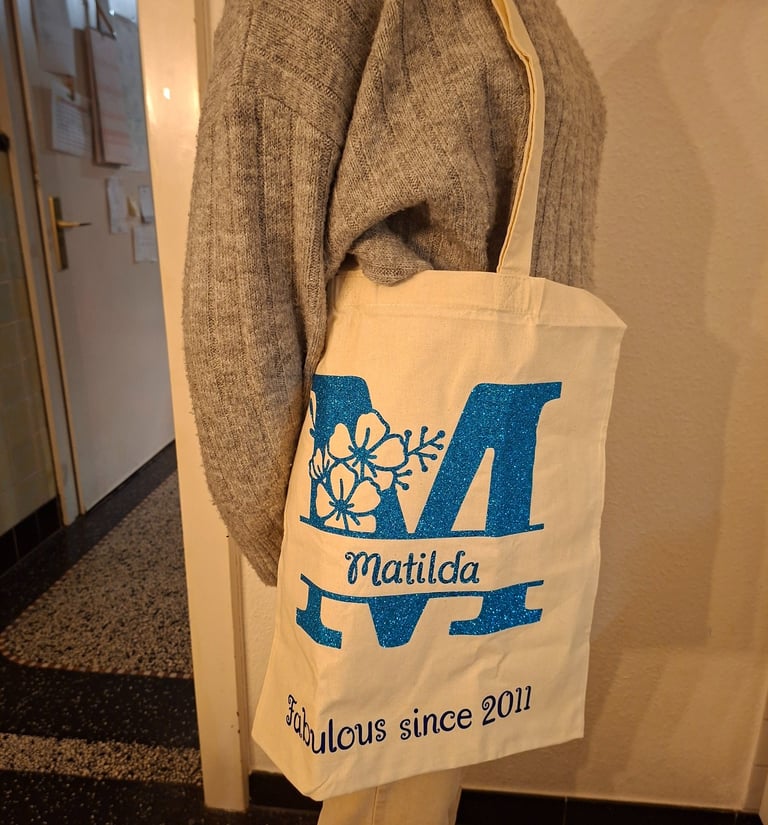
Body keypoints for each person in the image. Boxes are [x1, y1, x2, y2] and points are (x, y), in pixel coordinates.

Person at [183, 1, 605, 822]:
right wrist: (318, 544)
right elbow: (241, 299)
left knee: (423, 783)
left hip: (489, 481)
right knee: (387, 790)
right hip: (403, 512)